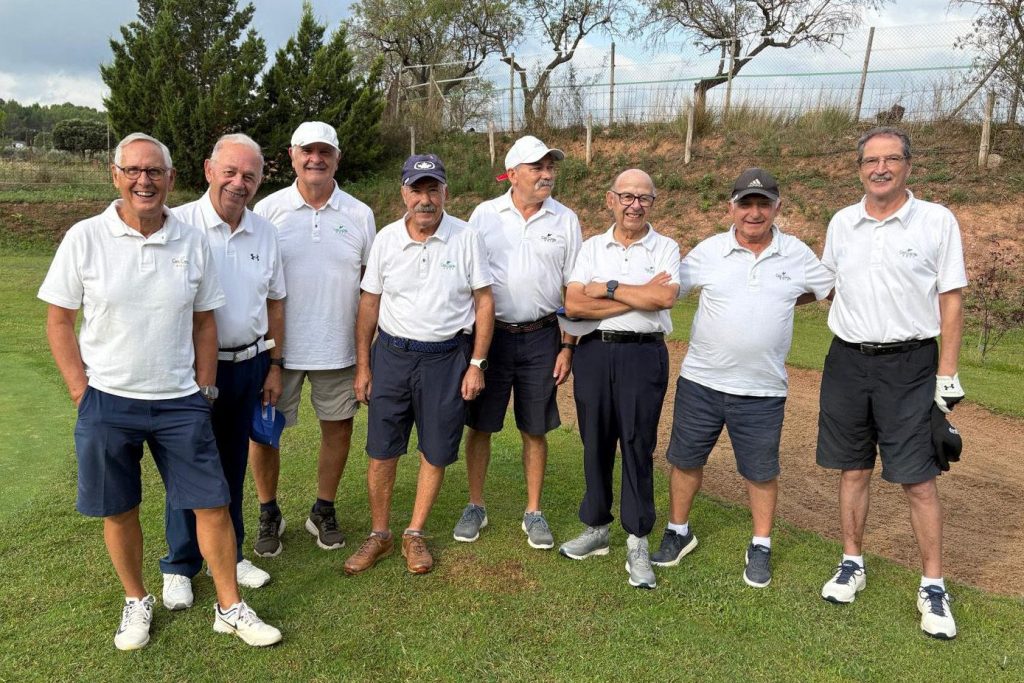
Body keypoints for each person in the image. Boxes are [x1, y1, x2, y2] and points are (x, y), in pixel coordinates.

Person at [38, 133, 281, 650]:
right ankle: (135, 599)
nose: (144, 181)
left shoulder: (191, 241)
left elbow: (205, 322)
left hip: (179, 399)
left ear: (171, 179)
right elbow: (59, 319)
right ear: (115, 175)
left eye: (154, 172)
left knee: (212, 502)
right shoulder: (85, 237)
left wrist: (205, 388)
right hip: (108, 399)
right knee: (119, 507)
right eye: (133, 170)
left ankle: (229, 606)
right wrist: (81, 391)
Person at [649, 169, 833, 588]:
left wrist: (790, 295)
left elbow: (829, 289)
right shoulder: (710, 250)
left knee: (760, 471)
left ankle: (761, 544)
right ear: (731, 208)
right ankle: (678, 531)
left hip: (762, 389)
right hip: (701, 381)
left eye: (763, 204)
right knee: (685, 460)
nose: (754, 212)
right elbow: (670, 290)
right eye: (746, 204)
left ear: (777, 208)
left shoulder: (796, 253)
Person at [816, 127, 967, 640]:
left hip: (911, 365)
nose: (880, 168)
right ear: (859, 168)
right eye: (871, 161)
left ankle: (933, 586)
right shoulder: (842, 222)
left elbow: (951, 298)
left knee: (918, 479)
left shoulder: (936, 221)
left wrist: (948, 372)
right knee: (852, 468)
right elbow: (825, 283)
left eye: (891, 159)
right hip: (847, 361)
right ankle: (852, 563)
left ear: (908, 165)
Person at [343, 154, 494, 575]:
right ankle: (380, 534)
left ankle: (414, 533)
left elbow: (484, 302)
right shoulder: (386, 239)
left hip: (447, 359)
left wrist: (477, 363)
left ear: (446, 192)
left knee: (436, 449)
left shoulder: (466, 237)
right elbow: (369, 303)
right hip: (392, 356)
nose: (424, 199)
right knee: (381, 450)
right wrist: (363, 365)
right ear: (403, 194)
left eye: (433, 190)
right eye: (416, 190)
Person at [160, 133, 286, 610]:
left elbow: (275, 302)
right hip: (190, 368)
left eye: (249, 175)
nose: (238, 182)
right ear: (209, 170)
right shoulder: (178, 224)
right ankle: (179, 564)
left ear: (259, 181)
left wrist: (274, 364)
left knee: (232, 464)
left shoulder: (265, 232)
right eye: (229, 171)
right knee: (188, 468)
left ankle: (228, 558)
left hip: (249, 364)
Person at [251, 121, 376, 557]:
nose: (315, 159)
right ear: (292, 155)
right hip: (277, 351)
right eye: (307, 151)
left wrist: (365, 356)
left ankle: (323, 509)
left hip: (338, 347)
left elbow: (369, 288)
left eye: (325, 151)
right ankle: (269, 511)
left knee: (337, 429)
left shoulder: (359, 214)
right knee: (264, 434)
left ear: (337, 158)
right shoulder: (267, 210)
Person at [456, 135, 583, 549]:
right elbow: (469, 281)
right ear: (512, 174)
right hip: (490, 338)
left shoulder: (565, 219)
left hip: (542, 336)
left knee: (535, 427)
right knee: (480, 425)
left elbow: (573, 288)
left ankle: (534, 511)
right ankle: (475, 504)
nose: (547, 175)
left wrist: (568, 346)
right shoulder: (484, 215)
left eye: (550, 167)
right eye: (537, 168)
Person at [558, 169, 680, 590]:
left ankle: (637, 538)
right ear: (611, 200)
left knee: (636, 444)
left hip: (643, 355)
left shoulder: (665, 247)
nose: (635, 205)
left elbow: (663, 297)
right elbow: (574, 305)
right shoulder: (592, 246)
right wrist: (635, 295)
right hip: (594, 353)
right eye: (627, 196)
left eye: (644, 198)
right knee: (595, 440)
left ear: (653, 203)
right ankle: (596, 527)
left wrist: (607, 287)